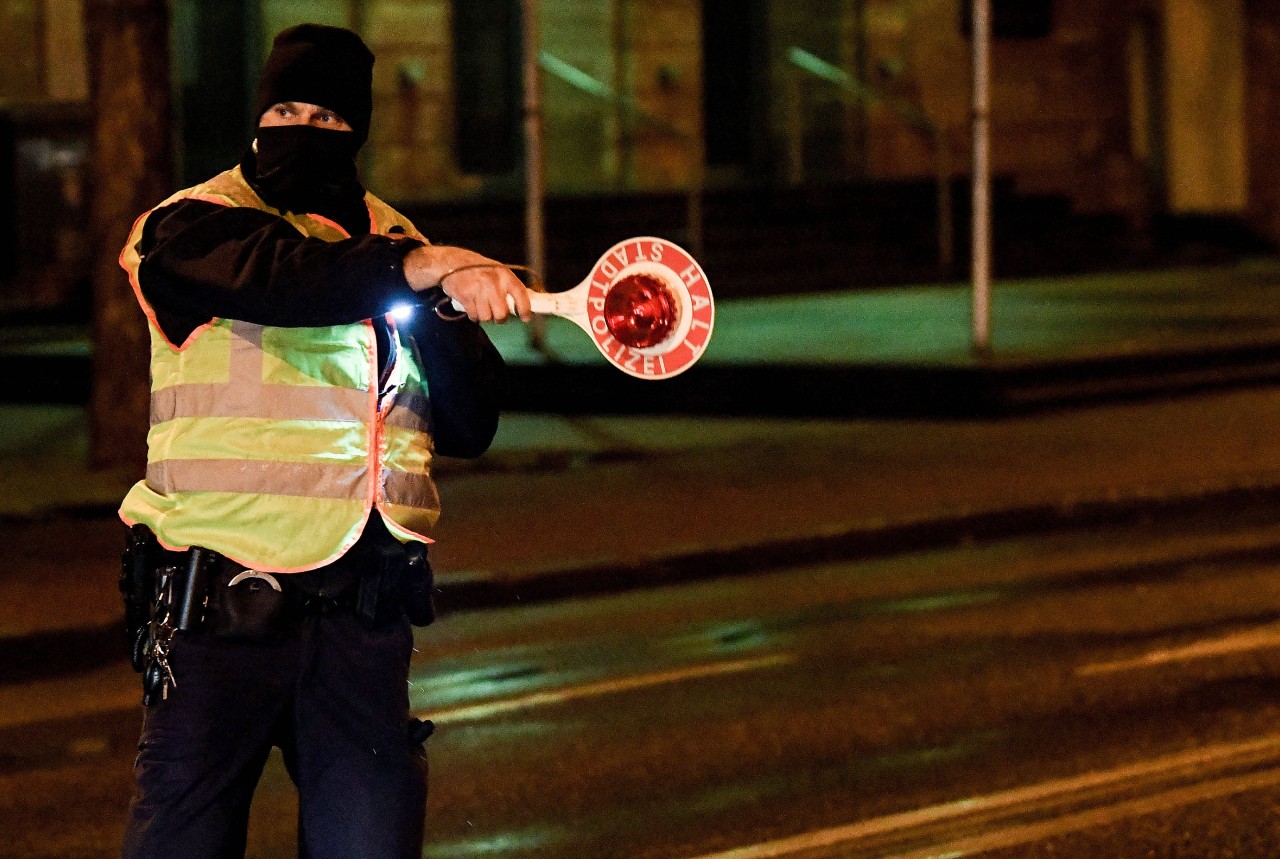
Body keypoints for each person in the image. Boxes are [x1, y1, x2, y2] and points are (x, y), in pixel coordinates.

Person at [115, 23, 532, 858]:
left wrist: (451, 313)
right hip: (219, 622)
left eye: (327, 116)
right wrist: (428, 267)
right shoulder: (190, 226)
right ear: (257, 116)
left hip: (361, 627)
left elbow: (471, 421)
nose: (301, 127)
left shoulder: (402, 244)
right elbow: (289, 276)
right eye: (284, 106)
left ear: (358, 131)